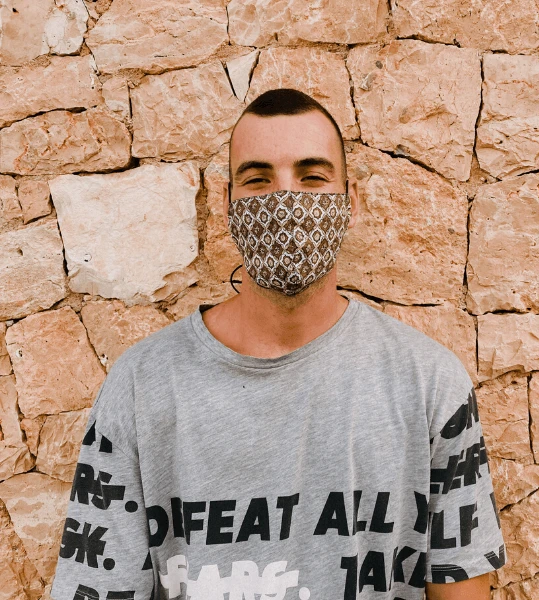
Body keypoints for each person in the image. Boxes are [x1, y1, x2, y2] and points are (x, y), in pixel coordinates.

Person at [50, 88, 506, 600]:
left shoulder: (429, 385)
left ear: (351, 201)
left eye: (312, 177)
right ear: (227, 203)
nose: (284, 201)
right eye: (258, 179)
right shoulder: (141, 387)